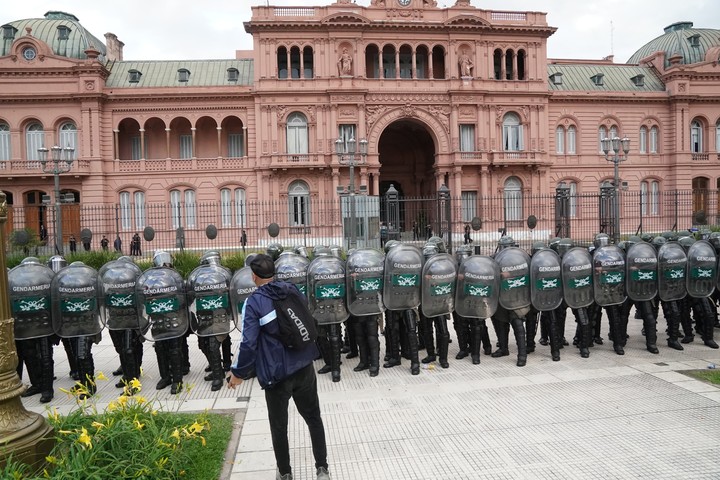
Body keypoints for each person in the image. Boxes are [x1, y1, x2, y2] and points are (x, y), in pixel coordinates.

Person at [228, 254, 331, 480]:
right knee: (314, 417)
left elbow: (248, 343)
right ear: (273, 272)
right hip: (304, 365)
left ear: (254, 276)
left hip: (277, 375)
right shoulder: (291, 289)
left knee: (279, 426)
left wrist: (237, 374)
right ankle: (322, 469)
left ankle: (285, 473)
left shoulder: (253, 302)